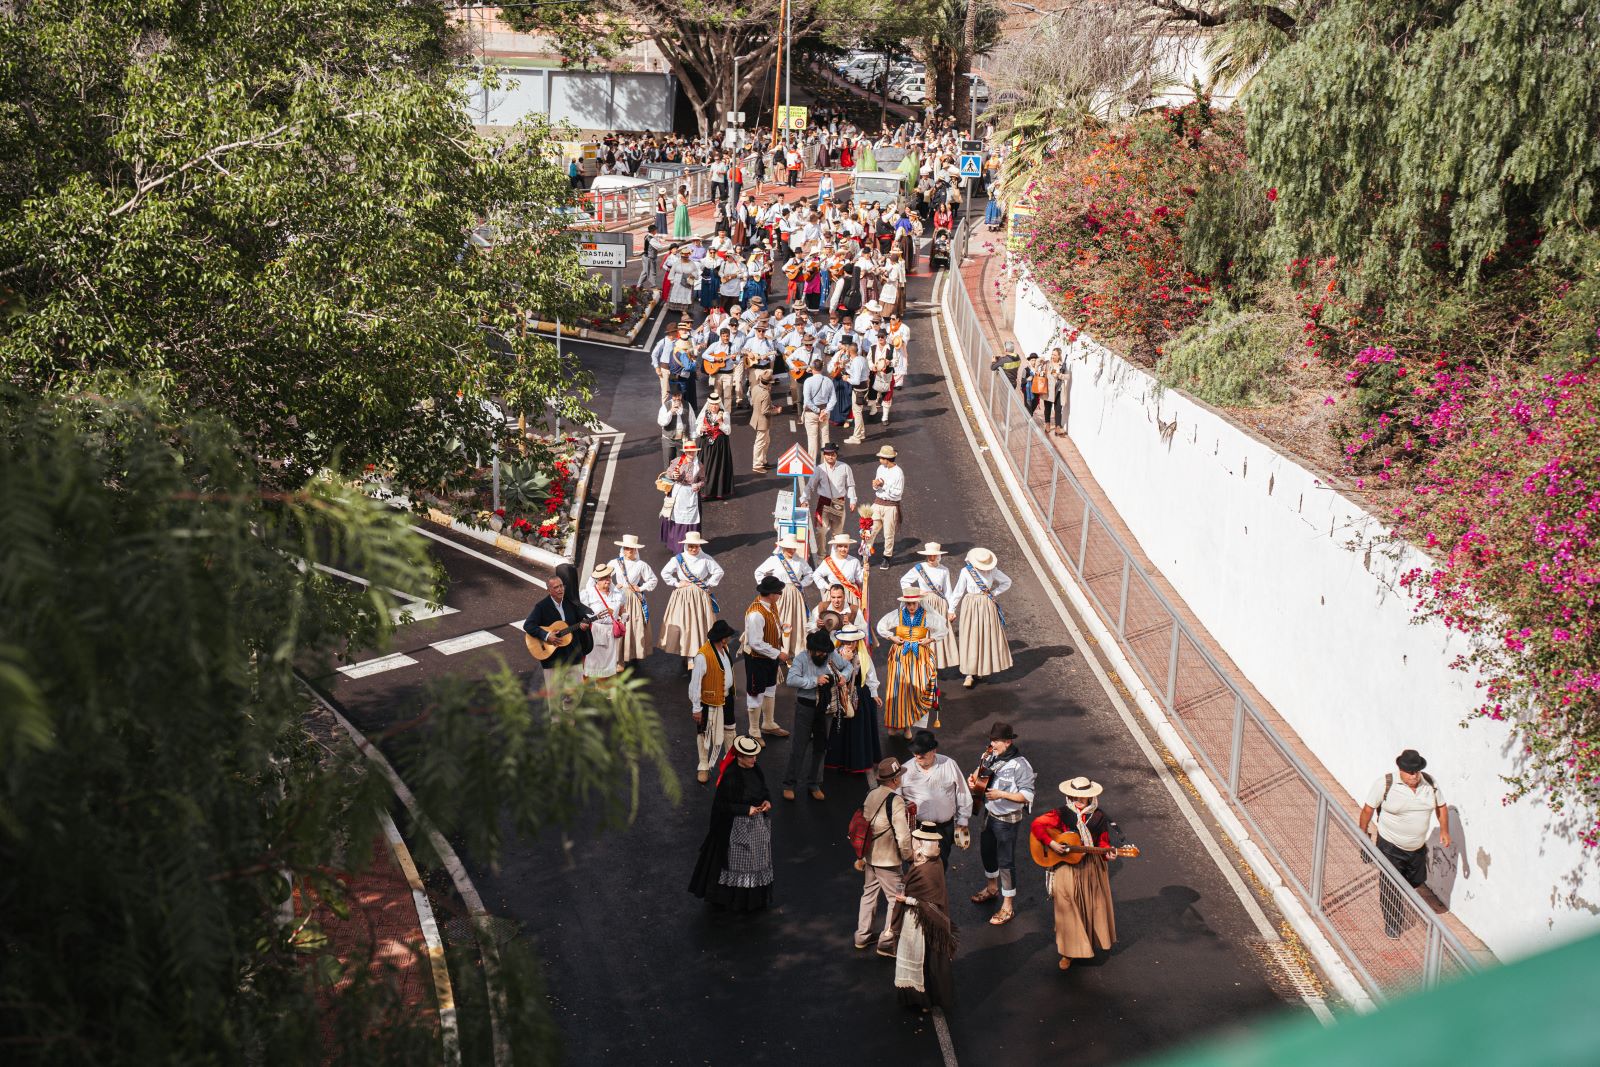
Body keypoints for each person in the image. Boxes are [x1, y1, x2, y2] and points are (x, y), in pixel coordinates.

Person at [1359, 749, 1450, 939]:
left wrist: (1444, 830)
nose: (1414, 775)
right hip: (1390, 844)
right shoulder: (1385, 784)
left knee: (1416, 880)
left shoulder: (1430, 784)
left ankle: (1399, 896)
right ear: (1400, 769)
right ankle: (1392, 922)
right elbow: (1368, 810)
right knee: (1391, 885)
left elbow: (1441, 806)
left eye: (1416, 771)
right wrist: (1363, 834)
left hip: (1416, 847)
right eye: (1410, 771)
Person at [1030, 777, 1119, 970]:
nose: (1078, 800)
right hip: (1066, 867)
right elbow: (1037, 825)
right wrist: (1052, 843)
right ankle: (1067, 952)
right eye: (1075, 796)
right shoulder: (1061, 813)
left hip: (1091, 866)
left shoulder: (1099, 816)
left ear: (1090, 797)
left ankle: (1088, 944)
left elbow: (1103, 842)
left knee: (1091, 905)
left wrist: (1108, 853)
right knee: (1067, 906)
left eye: (1082, 797)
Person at [688, 734, 775, 911]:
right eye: (750, 756)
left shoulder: (756, 769)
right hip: (735, 829)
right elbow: (722, 805)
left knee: (757, 860)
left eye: (755, 755)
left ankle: (753, 900)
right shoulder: (731, 775)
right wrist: (745, 810)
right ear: (740, 757)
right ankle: (733, 900)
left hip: (756, 827)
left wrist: (766, 800)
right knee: (739, 862)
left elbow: (763, 789)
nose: (754, 759)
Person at [968, 721, 1035, 926]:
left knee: (1005, 862)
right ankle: (991, 888)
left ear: (1007, 742)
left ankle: (1007, 906)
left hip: (1007, 820)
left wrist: (1002, 794)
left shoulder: (1021, 765)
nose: (992, 743)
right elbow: (978, 775)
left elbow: (1027, 795)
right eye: (991, 739)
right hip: (989, 814)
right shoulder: (989, 755)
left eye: (996, 740)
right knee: (987, 852)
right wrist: (973, 781)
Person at [782, 629, 854, 801]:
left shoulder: (830, 654)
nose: (822, 655)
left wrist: (844, 676)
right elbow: (791, 680)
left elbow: (848, 666)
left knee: (820, 748)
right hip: (805, 707)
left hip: (826, 709)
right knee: (799, 747)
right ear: (811, 649)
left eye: (824, 652)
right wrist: (815, 681)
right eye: (819, 652)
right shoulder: (801, 658)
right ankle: (789, 784)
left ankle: (814, 784)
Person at [893, 823, 957, 1012]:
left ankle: (925, 1001)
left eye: (917, 841)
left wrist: (907, 899)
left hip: (922, 922)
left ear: (921, 844)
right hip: (919, 919)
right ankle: (921, 999)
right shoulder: (931, 861)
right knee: (924, 960)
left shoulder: (928, 869)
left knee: (924, 960)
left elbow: (930, 904)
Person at [856, 757, 913, 956]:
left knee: (869, 894)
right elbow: (903, 836)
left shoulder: (871, 794)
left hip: (869, 856)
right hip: (888, 861)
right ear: (895, 780)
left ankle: (862, 936)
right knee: (896, 899)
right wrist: (909, 856)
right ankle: (887, 942)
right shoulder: (895, 800)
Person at [876, 589, 948, 739]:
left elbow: (943, 628)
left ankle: (907, 724)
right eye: (908, 603)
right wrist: (892, 637)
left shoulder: (927, 616)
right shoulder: (898, 615)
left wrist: (930, 639)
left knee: (913, 690)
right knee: (897, 690)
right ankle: (896, 725)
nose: (911, 606)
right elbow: (881, 626)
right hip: (899, 656)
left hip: (918, 656)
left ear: (919, 602)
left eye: (913, 603)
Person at [900, 731, 972, 870]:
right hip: (916, 828)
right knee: (916, 866)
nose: (918, 756)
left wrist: (963, 820)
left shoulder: (949, 764)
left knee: (940, 865)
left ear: (934, 750)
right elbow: (896, 799)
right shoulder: (905, 769)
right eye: (915, 753)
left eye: (922, 753)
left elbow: (962, 792)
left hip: (943, 829)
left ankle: (937, 891)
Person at [950, 547, 1013, 688]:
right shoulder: (966, 571)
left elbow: (1007, 582)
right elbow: (958, 591)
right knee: (970, 636)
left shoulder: (993, 571)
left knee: (984, 636)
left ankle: (980, 668)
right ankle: (968, 673)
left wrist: (994, 593)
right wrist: (951, 609)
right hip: (971, 605)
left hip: (986, 604)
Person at [825, 625, 883, 775]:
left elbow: (870, 675)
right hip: (840, 695)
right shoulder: (835, 655)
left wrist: (874, 693)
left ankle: (858, 761)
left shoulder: (863, 656)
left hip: (860, 696)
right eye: (846, 641)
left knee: (858, 730)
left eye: (852, 641)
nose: (849, 644)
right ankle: (839, 760)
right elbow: (832, 674)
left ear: (857, 642)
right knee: (839, 729)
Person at [659, 532, 724, 667]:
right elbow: (665, 573)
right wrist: (677, 583)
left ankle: (699, 654)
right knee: (685, 624)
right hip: (683, 596)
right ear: (686, 546)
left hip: (700, 595)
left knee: (700, 624)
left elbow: (719, 572)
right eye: (691, 547)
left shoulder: (706, 558)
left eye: (696, 547)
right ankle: (688, 656)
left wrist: (708, 583)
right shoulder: (678, 559)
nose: (693, 549)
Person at [688, 619, 739, 783]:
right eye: (728, 636)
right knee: (704, 733)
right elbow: (695, 684)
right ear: (723, 638)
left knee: (730, 730)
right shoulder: (703, 656)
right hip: (709, 702)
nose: (730, 639)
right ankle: (703, 765)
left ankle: (730, 764)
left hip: (727, 698)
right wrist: (696, 708)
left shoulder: (724, 648)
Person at [743, 575, 793, 739]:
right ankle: (754, 730)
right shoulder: (756, 614)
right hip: (757, 659)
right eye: (779, 592)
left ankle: (768, 723)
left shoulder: (769, 606)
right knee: (756, 693)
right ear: (772, 594)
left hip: (768, 658)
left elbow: (768, 626)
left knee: (770, 689)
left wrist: (780, 627)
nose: (780, 595)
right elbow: (755, 642)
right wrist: (779, 653)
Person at [521, 564, 595, 676]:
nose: (560, 589)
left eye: (561, 586)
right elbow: (528, 625)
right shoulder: (542, 607)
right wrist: (546, 635)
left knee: (577, 692)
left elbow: (579, 623)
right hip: (553, 660)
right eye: (556, 587)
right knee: (555, 693)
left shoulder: (570, 603)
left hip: (573, 658)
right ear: (549, 590)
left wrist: (583, 627)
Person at [900, 542, 958, 670]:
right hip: (924, 603)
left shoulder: (944, 570)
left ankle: (935, 662)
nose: (931, 558)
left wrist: (951, 610)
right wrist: (917, 592)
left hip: (939, 604)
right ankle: (921, 661)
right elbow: (904, 581)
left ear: (938, 556)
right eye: (929, 556)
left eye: (934, 555)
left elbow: (948, 591)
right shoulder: (919, 568)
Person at [754, 536, 813, 659]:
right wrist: (767, 587)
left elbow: (810, 574)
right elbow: (758, 572)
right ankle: (778, 650)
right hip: (778, 594)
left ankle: (794, 650)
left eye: (793, 548)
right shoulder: (774, 560)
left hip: (795, 595)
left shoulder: (800, 561)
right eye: (789, 548)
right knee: (777, 621)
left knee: (795, 621)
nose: (791, 551)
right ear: (783, 547)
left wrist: (801, 584)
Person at [612, 534, 658, 664]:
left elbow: (653, 579)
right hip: (619, 597)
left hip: (633, 598)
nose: (629, 551)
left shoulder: (641, 565)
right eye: (626, 548)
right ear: (623, 549)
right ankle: (619, 657)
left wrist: (641, 588)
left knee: (634, 625)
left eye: (632, 549)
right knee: (619, 624)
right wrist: (614, 586)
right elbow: (604, 576)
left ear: (635, 550)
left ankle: (632, 653)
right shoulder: (615, 562)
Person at [580, 563, 625, 679]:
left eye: (609, 577)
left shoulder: (618, 593)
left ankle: (604, 689)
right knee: (592, 662)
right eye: (604, 578)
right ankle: (587, 690)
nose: (608, 580)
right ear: (597, 581)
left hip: (610, 633)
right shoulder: (588, 593)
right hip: (594, 631)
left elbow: (621, 610)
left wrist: (624, 616)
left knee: (607, 662)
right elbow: (580, 613)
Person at [659, 443, 705, 553]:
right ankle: (676, 545)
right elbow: (669, 473)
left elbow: (703, 480)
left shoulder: (699, 465)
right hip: (678, 493)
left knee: (690, 519)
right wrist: (673, 475)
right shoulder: (678, 461)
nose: (691, 453)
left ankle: (691, 544)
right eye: (689, 451)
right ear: (685, 451)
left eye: (693, 451)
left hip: (691, 495)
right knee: (676, 518)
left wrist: (698, 485)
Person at [810, 443, 857, 543]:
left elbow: (850, 485)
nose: (830, 456)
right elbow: (810, 485)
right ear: (824, 455)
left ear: (836, 455)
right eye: (828, 454)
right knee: (821, 530)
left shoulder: (845, 467)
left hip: (838, 503)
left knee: (838, 533)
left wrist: (852, 500)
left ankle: (834, 556)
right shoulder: (819, 469)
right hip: (824, 502)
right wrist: (804, 499)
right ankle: (821, 555)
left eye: (833, 454)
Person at [866, 444, 904, 567]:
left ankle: (887, 557)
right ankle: (865, 554)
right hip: (878, 503)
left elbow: (897, 493)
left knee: (888, 534)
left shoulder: (898, 473)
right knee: (869, 530)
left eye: (881, 458)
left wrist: (883, 486)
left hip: (891, 506)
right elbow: (875, 485)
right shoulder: (880, 468)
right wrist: (875, 485)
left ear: (887, 459)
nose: (879, 460)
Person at [693, 394, 735, 501]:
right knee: (705, 468)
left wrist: (721, 423)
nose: (714, 407)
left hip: (720, 445)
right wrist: (700, 429)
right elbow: (697, 429)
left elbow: (728, 431)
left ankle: (718, 492)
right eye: (712, 404)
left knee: (719, 468)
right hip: (706, 445)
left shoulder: (724, 415)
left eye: (716, 404)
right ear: (709, 405)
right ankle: (705, 492)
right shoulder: (703, 414)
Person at [812, 534, 864, 607]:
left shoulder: (854, 561)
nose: (843, 549)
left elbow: (859, 579)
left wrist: (865, 571)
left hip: (849, 594)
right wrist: (827, 586)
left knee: (851, 617)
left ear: (849, 547)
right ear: (836, 547)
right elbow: (816, 575)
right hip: (834, 594)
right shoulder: (829, 561)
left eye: (846, 546)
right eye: (840, 546)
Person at [800, 358, 834, 459]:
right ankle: (825, 462)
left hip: (811, 413)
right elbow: (833, 400)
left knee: (812, 439)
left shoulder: (808, 381)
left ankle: (812, 465)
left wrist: (818, 411)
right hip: (825, 412)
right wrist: (825, 411)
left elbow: (807, 401)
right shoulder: (828, 380)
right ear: (822, 368)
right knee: (825, 437)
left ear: (812, 368)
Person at [657, 384, 694, 470]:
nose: (677, 398)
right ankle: (669, 482)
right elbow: (662, 423)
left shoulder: (687, 405)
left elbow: (692, 423)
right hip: (668, 439)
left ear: (681, 395)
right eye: (675, 395)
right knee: (669, 465)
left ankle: (679, 483)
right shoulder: (665, 406)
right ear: (672, 396)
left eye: (679, 395)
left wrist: (693, 439)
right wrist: (670, 412)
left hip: (682, 440)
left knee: (681, 465)